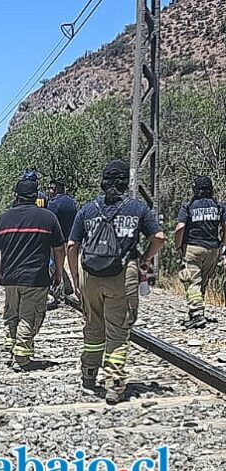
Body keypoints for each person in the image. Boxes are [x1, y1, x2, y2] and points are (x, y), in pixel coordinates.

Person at [68, 160, 165, 405]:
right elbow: (159, 237)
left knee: (93, 325)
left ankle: (89, 373)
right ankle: (114, 384)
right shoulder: (137, 208)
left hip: (89, 274)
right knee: (118, 331)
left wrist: (75, 277)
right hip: (123, 274)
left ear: (103, 182)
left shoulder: (88, 210)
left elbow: (72, 246)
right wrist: (145, 259)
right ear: (126, 182)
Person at [0, 180, 65, 371]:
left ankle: (12, 344)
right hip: (36, 278)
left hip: (11, 277)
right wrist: (58, 272)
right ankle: (21, 357)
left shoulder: (4, 218)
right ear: (36, 197)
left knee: (12, 313)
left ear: (16, 196)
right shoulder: (48, 218)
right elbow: (59, 248)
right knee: (29, 317)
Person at [174, 175, 226, 329]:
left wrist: (178, 246)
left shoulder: (189, 206)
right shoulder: (219, 206)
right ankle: (197, 311)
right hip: (212, 248)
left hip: (193, 247)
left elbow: (180, 228)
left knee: (191, 281)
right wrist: (223, 243)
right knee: (202, 281)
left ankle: (196, 314)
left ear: (195, 190)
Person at [46, 179, 77, 308]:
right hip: (70, 239)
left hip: (56, 240)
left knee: (53, 264)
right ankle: (68, 287)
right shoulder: (72, 202)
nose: (49, 191)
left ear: (56, 189)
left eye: (51, 188)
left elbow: (50, 221)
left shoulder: (53, 204)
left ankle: (56, 290)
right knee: (63, 265)